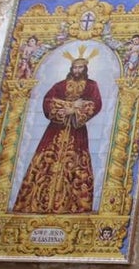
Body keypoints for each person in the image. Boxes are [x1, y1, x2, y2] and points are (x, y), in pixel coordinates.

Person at [12, 52, 103, 214]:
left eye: (80, 67)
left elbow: (95, 103)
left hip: (77, 131)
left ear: (85, 68)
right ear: (71, 68)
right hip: (55, 130)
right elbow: (48, 101)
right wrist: (68, 108)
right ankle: (37, 204)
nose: (77, 70)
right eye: (75, 67)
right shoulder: (60, 85)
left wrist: (75, 111)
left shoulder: (91, 86)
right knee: (46, 162)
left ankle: (72, 206)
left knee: (76, 164)